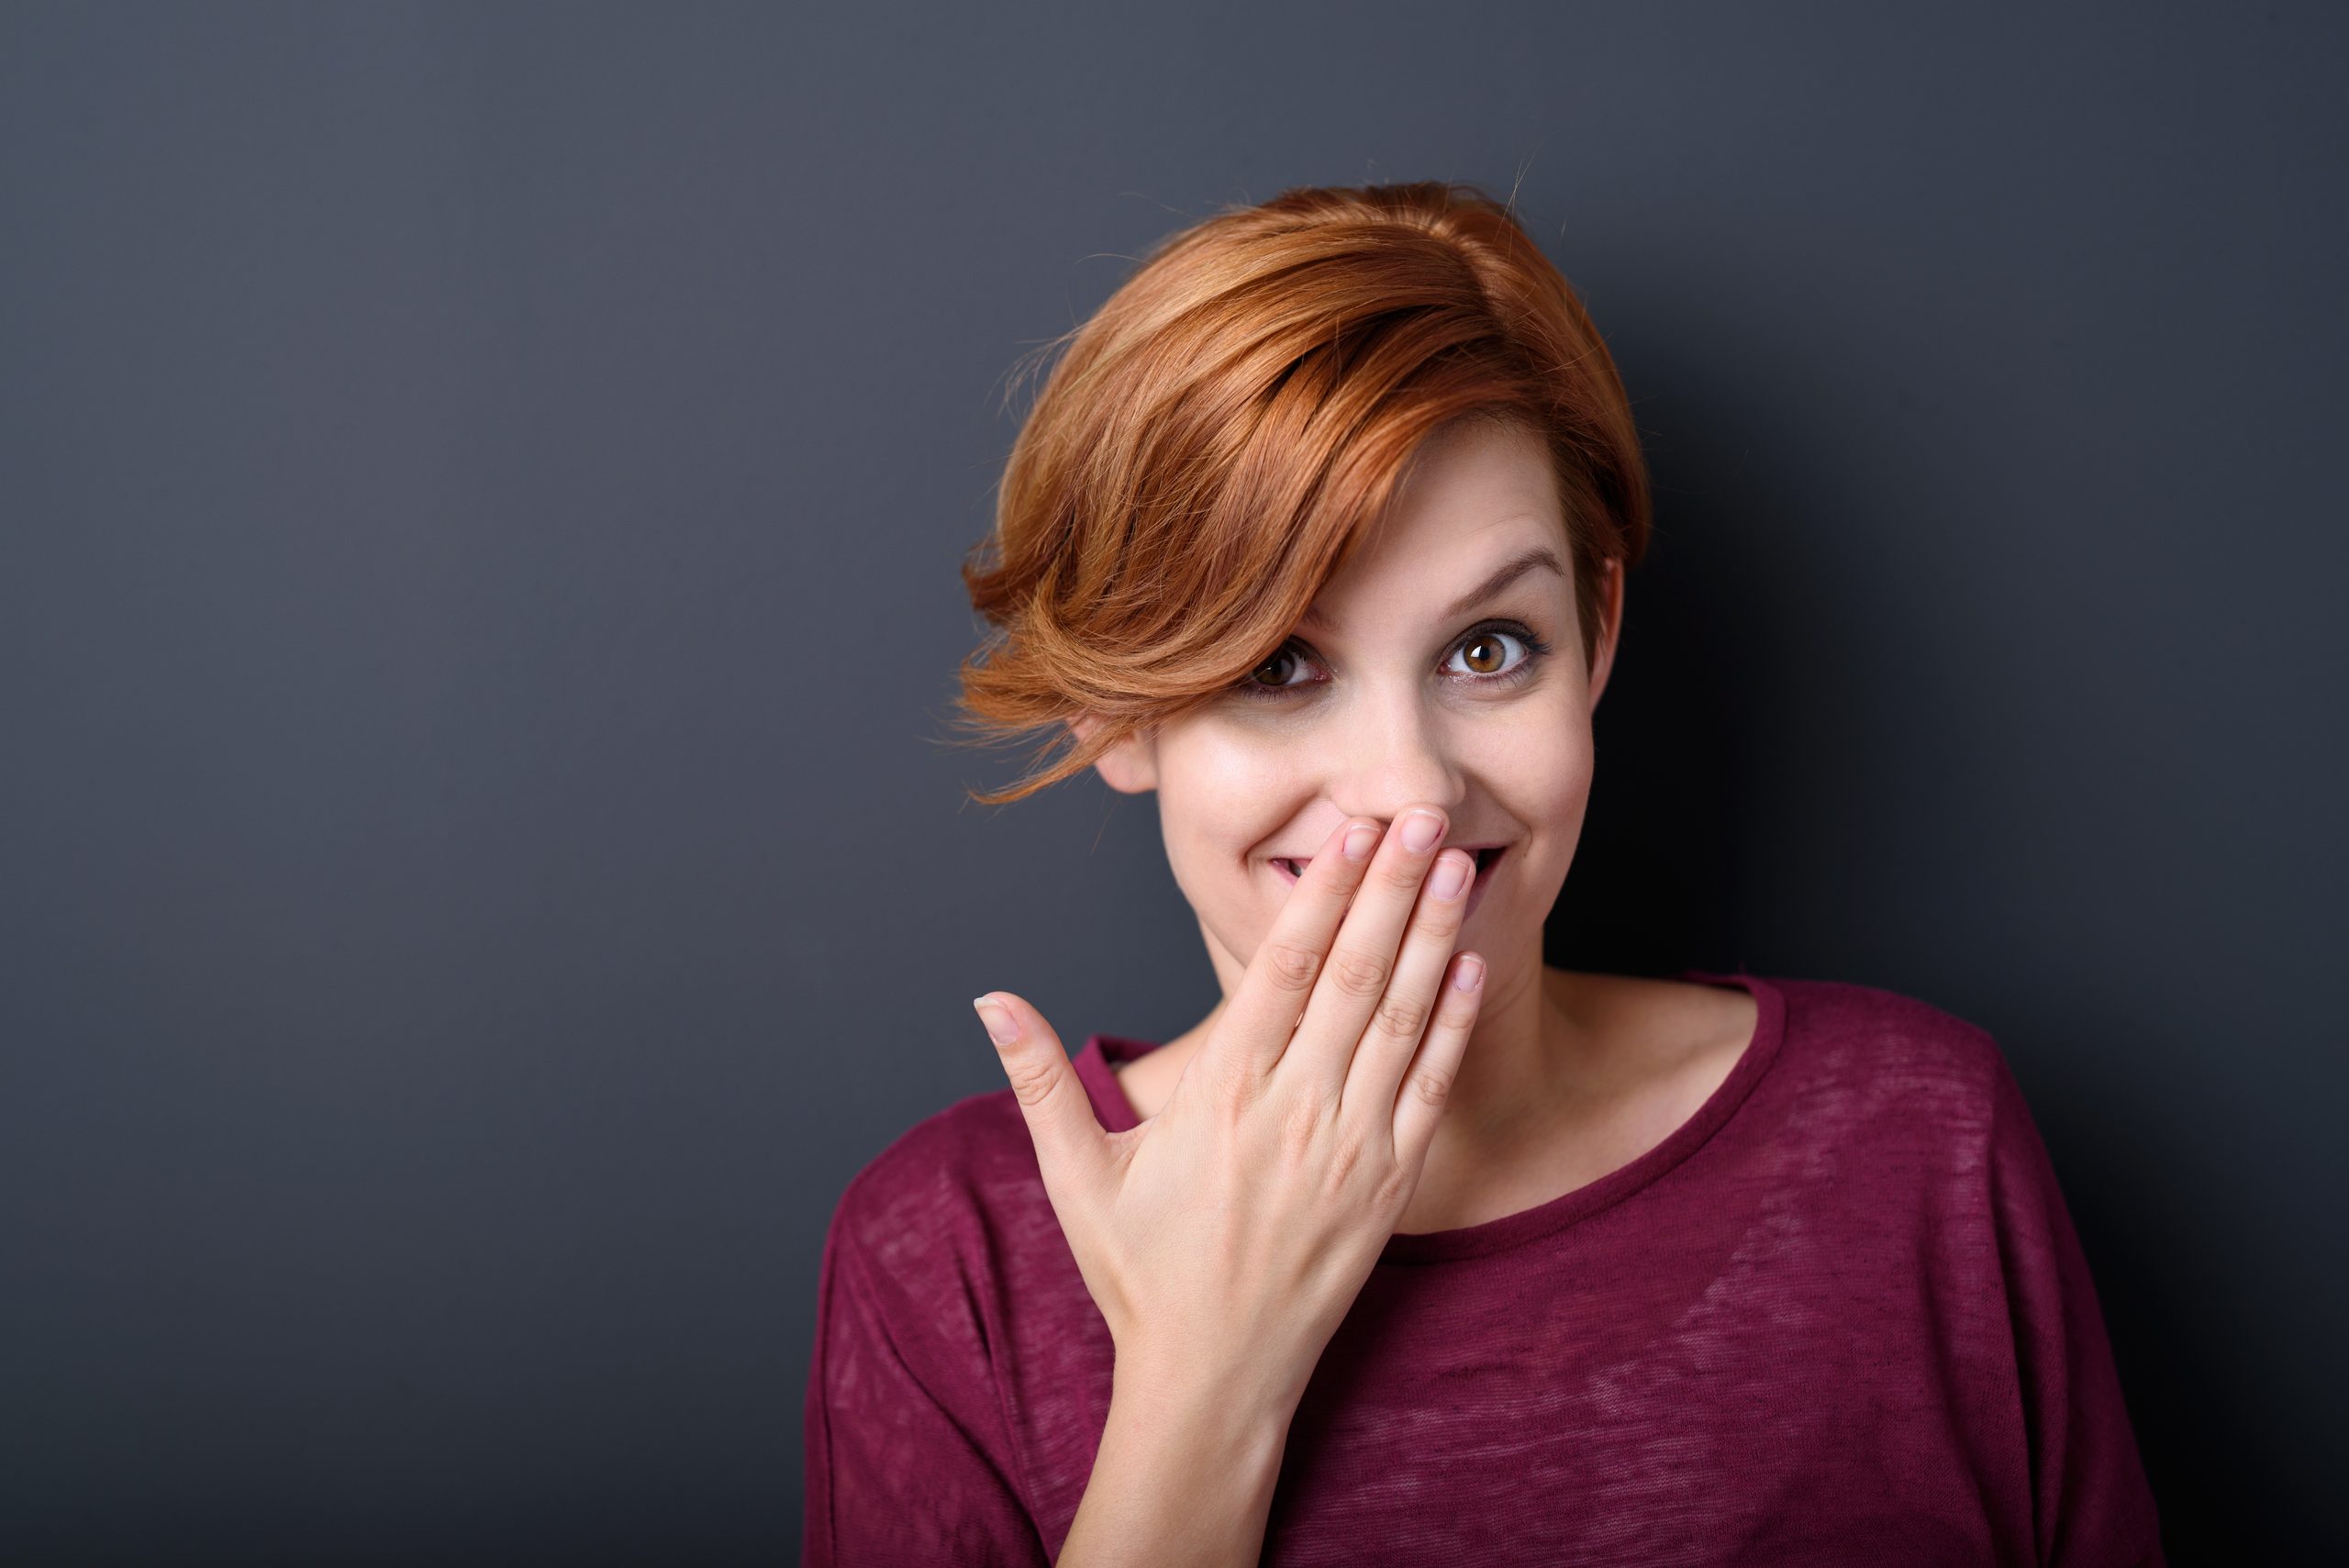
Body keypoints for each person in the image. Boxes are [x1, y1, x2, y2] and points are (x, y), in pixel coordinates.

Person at [800, 182, 2164, 1566]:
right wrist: (1205, 1379)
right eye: (1283, 663)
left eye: (1488, 648)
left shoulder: (1921, 1142)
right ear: (1115, 710)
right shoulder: (947, 1263)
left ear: (1600, 630)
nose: (1413, 791)